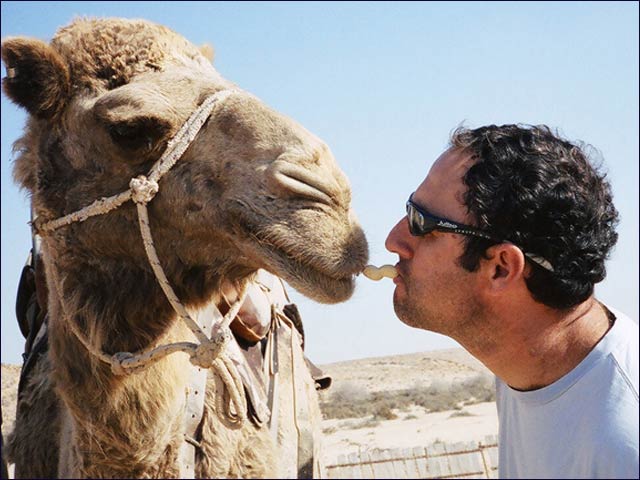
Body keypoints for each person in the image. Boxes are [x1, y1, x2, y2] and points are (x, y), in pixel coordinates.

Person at [385, 124, 639, 479]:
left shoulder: (623, 446)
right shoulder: (526, 370)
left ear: (502, 268)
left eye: (423, 224)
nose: (394, 240)